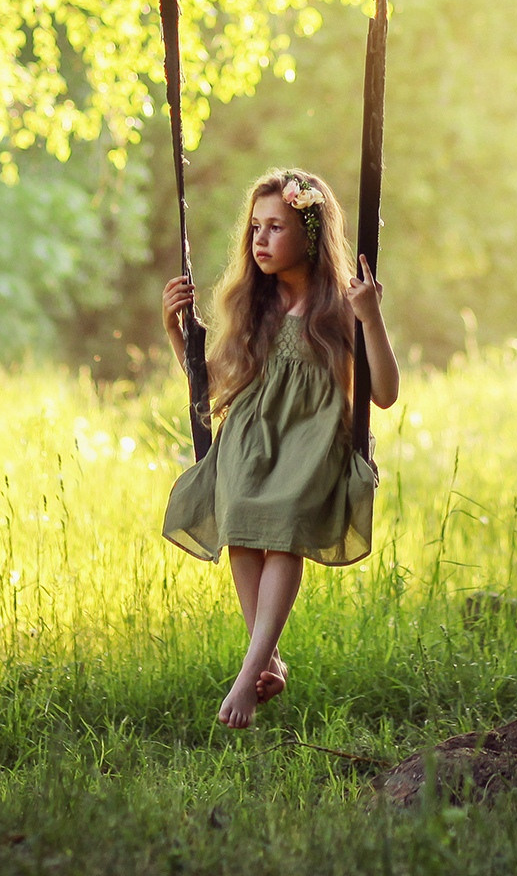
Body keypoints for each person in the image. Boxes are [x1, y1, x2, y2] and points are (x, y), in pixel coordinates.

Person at [160, 167, 399, 728]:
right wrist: (177, 333)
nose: (260, 240)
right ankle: (267, 659)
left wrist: (372, 317)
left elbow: (384, 393)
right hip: (250, 437)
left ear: (310, 235)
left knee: (284, 523)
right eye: (255, 228)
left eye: (276, 227)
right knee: (240, 520)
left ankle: (247, 679)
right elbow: (212, 384)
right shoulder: (254, 305)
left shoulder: (342, 305)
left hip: (311, 444)